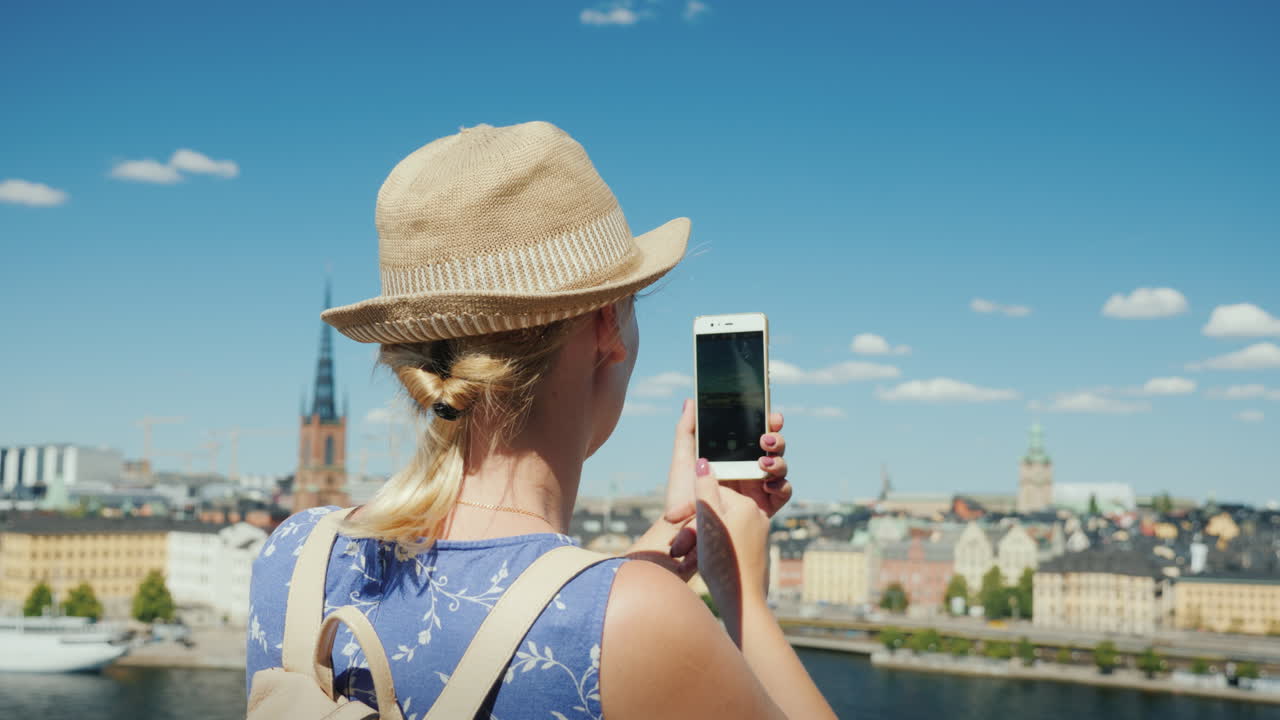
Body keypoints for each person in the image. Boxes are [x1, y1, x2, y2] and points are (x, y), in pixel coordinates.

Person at [246, 121, 837, 719]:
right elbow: (575, 641)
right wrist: (743, 602)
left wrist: (655, 546)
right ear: (608, 324)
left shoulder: (295, 554)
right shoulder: (643, 624)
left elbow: (519, 614)